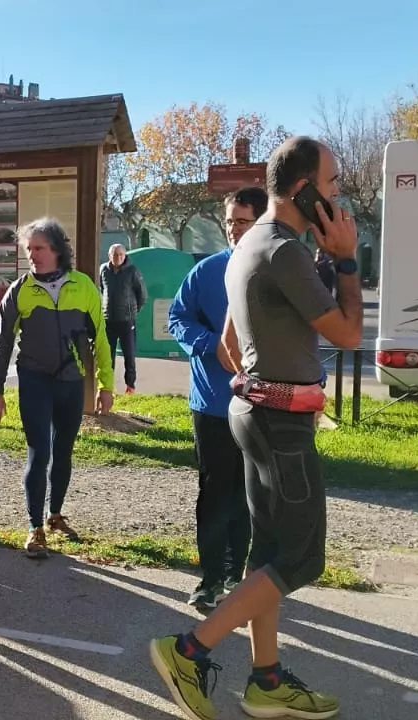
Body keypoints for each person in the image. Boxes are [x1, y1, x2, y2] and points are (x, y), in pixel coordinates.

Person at [150, 137, 362, 720]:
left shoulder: (251, 246)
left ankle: (266, 680)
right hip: (279, 423)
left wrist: (264, 380)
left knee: (267, 552)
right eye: (333, 182)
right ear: (303, 189)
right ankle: (188, 651)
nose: (338, 194)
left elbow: (226, 344)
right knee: (300, 560)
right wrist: (345, 259)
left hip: (254, 412)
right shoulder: (283, 250)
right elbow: (348, 334)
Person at [0, 218, 114, 558]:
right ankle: (34, 527)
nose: (32, 255)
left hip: (71, 381)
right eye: (29, 249)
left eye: (39, 248)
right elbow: (3, 343)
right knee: (39, 450)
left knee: (64, 450)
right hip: (34, 379)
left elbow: (100, 338)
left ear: (57, 249)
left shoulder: (83, 285)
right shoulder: (20, 290)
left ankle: (55, 514)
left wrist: (106, 385)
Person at [167, 186, 265, 614]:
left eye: (241, 222)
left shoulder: (275, 271)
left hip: (260, 403)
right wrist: (208, 344)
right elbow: (177, 317)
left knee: (251, 492)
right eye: (228, 221)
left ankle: (237, 573)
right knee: (214, 488)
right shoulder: (207, 271)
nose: (232, 229)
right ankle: (209, 578)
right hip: (210, 401)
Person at [99, 242, 146, 394]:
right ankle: (107, 387)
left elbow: (142, 295)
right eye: (114, 254)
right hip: (108, 320)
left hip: (127, 320)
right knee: (107, 356)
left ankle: (130, 386)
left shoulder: (132, 271)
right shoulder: (103, 270)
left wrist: (133, 311)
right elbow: (102, 289)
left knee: (129, 355)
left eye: (120, 254)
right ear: (109, 255)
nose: (117, 257)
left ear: (125, 255)